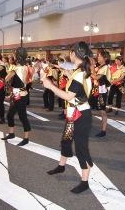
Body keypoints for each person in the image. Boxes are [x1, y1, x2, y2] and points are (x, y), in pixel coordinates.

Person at [43, 41, 93, 194]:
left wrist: (50, 86)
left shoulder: (79, 74)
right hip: (75, 113)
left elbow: (68, 96)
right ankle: (61, 165)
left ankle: (84, 182)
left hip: (80, 115)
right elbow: (79, 88)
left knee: (81, 148)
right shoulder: (80, 71)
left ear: (74, 54)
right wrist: (68, 74)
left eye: (70, 52)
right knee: (66, 139)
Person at [1, 47, 32, 146]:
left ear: (16, 56)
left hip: (20, 95)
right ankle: (11, 133)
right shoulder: (26, 67)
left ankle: (26, 139)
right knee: (10, 115)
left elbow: (6, 79)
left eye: (14, 55)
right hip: (18, 94)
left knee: (23, 117)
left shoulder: (17, 68)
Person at [91, 49, 111, 137]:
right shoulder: (100, 67)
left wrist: (89, 72)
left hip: (101, 92)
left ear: (105, 58)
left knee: (102, 111)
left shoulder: (105, 67)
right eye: (98, 56)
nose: (98, 57)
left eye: (100, 56)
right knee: (95, 109)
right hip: (96, 90)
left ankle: (103, 130)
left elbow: (96, 77)